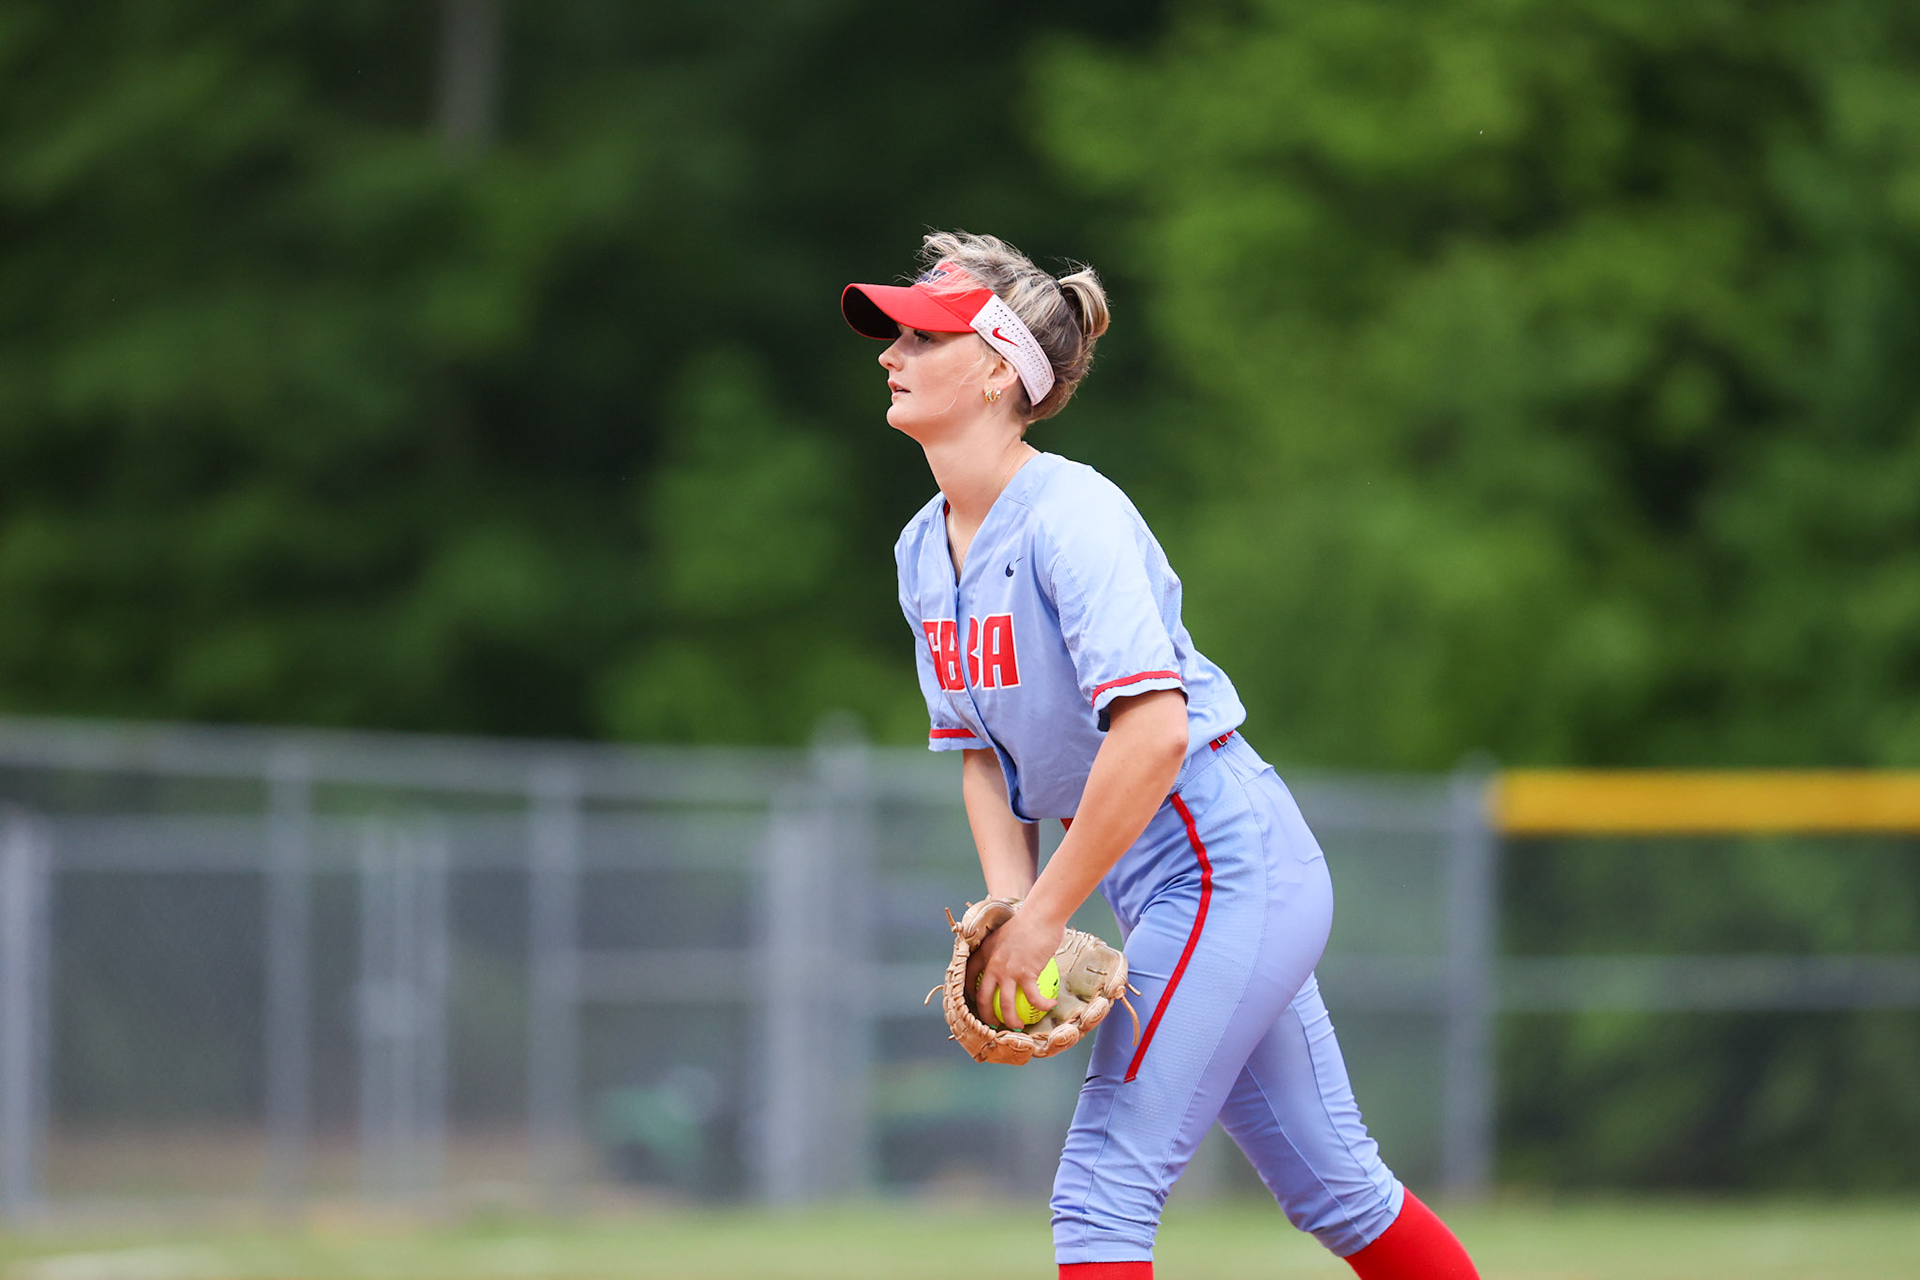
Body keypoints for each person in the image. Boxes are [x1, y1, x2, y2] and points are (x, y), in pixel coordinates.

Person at [842, 231, 1479, 1280]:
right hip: (1169, 883)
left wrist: (1046, 915)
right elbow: (979, 754)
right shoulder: (923, 547)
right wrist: (1008, 910)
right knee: (1338, 1188)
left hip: (1228, 861)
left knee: (1100, 1191)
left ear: (1000, 365)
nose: (890, 351)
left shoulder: (1073, 516)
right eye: (895, 334)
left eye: (922, 332)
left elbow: (1155, 728)